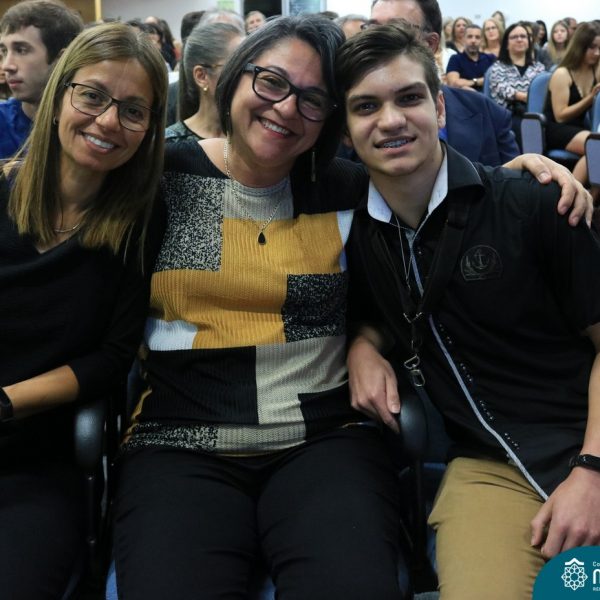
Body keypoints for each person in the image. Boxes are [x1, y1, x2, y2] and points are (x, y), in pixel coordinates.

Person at [112, 15, 406, 600]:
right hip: (181, 438)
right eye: (271, 81)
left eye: (313, 99)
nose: (286, 108)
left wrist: (366, 342)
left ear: (329, 117)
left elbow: (391, 296)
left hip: (323, 439)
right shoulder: (162, 178)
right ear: (233, 80)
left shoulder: (346, 189)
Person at [336, 24, 600, 600]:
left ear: (439, 107)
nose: (390, 120)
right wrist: (363, 344)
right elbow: (383, 310)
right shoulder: (355, 230)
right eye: (365, 106)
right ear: (345, 129)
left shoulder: (532, 202)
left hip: (586, 435)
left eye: (409, 98)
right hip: (488, 465)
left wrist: (592, 470)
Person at [0, 21, 166, 598]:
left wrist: (5, 403)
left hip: (37, 464)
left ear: (150, 128)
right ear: (57, 97)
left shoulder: (139, 227)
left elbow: (112, 358)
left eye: (133, 110)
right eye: (92, 96)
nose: (108, 122)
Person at [369, 0, 519, 166]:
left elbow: (512, 177)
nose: (377, 41)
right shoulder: (354, 123)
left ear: (429, 43)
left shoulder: (489, 114)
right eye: (372, 29)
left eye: (395, 29)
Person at [0, 0, 83, 158]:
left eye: (21, 50)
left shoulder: (89, 128)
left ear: (61, 59)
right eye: (4, 51)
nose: (6, 65)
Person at [544, 21, 600, 192]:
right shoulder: (562, 73)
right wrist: (589, 98)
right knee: (596, 145)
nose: (597, 52)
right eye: (592, 47)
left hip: (579, 128)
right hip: (556, 129)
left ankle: (587, 197)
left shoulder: (594, 70)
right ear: (580, 47)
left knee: (595, 148)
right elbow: (560, 115)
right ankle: (574, 195)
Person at [165, 22, 243, 143]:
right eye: (238, 66)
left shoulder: (251, 136)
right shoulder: (170, 144)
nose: (248, 76)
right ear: (202, 76)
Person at [488, 22, 545, 147]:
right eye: (514, 37)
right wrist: (526, 97)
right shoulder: (498, 67)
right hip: (509, 114)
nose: (519, 39)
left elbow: (543, 93)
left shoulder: (539, 68)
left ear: (529, 42)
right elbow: (503, 89)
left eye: (523, 36)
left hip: (535, 113)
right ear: (506, 44)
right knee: (526, 126)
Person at [446, 24, 496, 92]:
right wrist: (478, 81)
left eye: (477, 37)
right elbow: (454, 83)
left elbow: (496, 80)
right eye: (470, 37)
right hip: (465, 97)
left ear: (481, 40)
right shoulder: (455, 59)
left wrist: (467, 83)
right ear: (463, 39)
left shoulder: (490, 58)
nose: (473, 41)